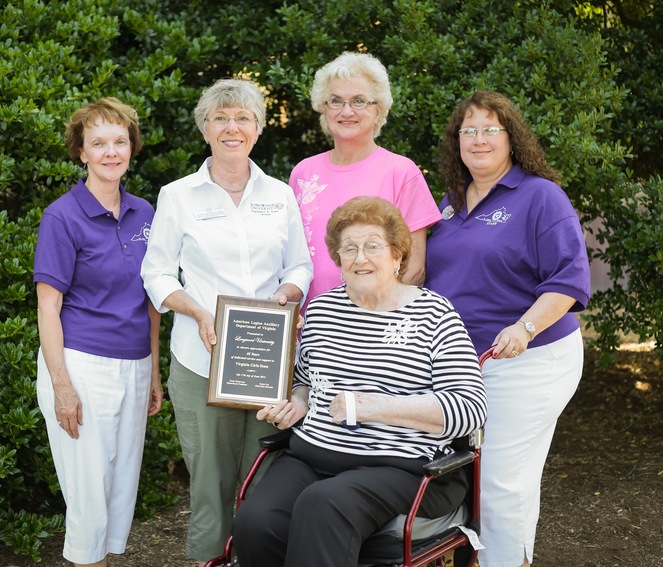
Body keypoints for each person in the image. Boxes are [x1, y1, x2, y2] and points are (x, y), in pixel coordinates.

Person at [232, 196, 487, 567]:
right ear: (337, 259)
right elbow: (306, 379)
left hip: (401, 464)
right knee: (256, 522)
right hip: (312, 454)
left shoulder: (435, 315)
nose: (360, 258)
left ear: (398, 255)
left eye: (372, 246)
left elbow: (470, 408)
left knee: (324, 505)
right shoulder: (321, 310)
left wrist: (374, 406)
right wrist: (298, 403)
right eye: (348, 249)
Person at [140, 78, 313, 565]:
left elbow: (300, 265)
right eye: (220, 118)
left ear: (258, 128)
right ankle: (209, 559)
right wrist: (195, 311)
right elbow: (154, 271)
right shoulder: (178, 195)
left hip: (266, 360)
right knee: (210, 478)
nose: (231, 127)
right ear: (205, 128)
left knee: (266, 471)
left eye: (242, 118)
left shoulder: (279, 194)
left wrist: (285, 295)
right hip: (200, 359)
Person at [424, 91, 591, 567]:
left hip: (530, 359)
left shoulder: (540, 195)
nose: (478, 139)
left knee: (500, 477)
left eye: (490, 129)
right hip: (464, 362)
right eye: (468, 130)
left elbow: (569, 279)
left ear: (511, 139)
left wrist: (525, 326)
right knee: (473, 476)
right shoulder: (451, 202)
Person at [34, 97, 163, 567]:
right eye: (99, 143)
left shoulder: (146, 213)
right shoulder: (62, 216)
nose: (112, 152)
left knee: (119, 490)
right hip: (82, 367)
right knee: (88, 498)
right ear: (82, 152)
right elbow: (48, 307)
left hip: (135, 363)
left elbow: (151, 300)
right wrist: (62, 387)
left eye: (120, 141)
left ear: (131, 148)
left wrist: (153, 372)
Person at [290, 51, 442, 306]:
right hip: (310, 330)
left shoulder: (402, 172)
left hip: (374, 330)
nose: (346, 110)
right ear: (323, 108)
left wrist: (371, 319)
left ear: (378, 109)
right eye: (335, 101)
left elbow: (414, 268)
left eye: (359, 101)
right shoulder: (303, 173)